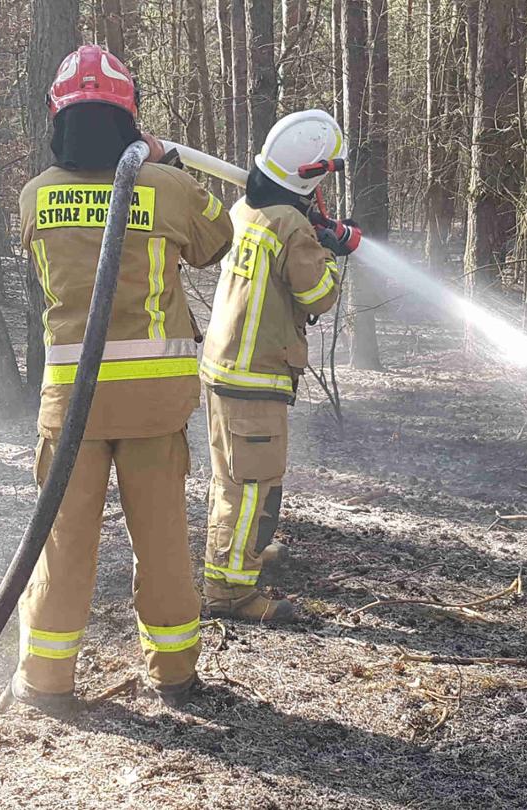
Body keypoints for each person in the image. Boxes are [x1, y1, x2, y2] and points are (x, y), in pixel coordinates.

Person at [7, 45, 234, 715]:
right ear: (128, 117)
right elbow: (217, 240)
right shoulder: (166, 188)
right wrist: (167, 165)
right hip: (153, 408)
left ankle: (46, 684)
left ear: (58, 118)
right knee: (162, 539)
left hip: (69, 408)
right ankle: (174, 675)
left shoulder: (34, 196)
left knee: (62, 542)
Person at [198, 110, 356, 622]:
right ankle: (232, 594)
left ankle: (236, 558)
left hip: (224, 369)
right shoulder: (290, 224)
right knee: (251, 488)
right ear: (308, 175)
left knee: (231, 478)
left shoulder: (245, 208)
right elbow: (317, 295)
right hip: (255, 376)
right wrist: (330, 253)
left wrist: (314, 236)